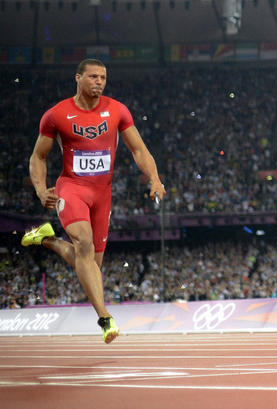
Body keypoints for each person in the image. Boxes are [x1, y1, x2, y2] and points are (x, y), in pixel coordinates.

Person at [21, 59, 166, 343]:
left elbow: (139, 150)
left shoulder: (117, 110)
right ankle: (105, 318)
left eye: (103, 77)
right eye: (93, 77)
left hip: (102, 194)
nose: (99, 82)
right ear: (78, 78)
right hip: (71, 188)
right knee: (84, 244)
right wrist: (40, 189)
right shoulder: (56, 114)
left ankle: (48, 239)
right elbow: (38, 156)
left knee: (91, 265)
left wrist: (155, 179)